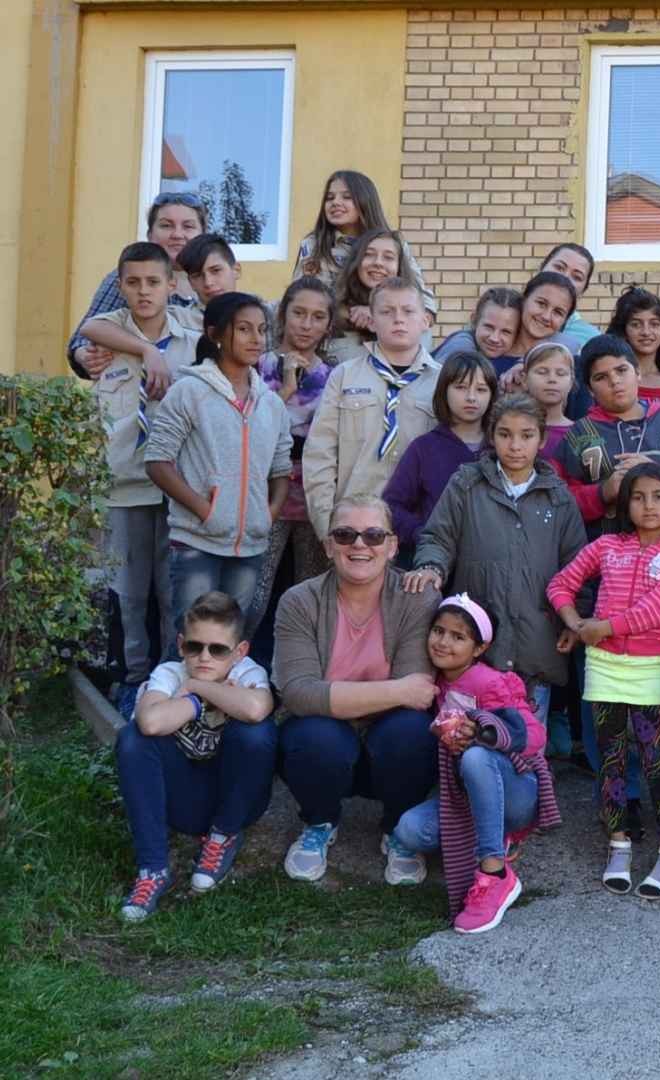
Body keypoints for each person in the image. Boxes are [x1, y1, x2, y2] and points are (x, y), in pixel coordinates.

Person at [273, 496, 443, 885]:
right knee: (312, 735)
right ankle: (319, 821)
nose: (360, 545)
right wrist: (397, 690)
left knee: (412, 732)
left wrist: (337, 694)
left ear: (393, 546)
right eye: (345, 534)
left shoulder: (417, 598)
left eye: (374, 535)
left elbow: (419, 693)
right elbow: (298, 693)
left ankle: (398, 828)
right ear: (328, 545)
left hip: (389, 744)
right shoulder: (299, 602)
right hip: (329, 743)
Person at [547, 463, 660, 898]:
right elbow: (560, 584)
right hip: (603, 668)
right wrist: (576, 624)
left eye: (658, 497)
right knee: (610, 762)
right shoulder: (607, 546)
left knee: (657, 763)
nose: (648, 506)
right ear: (624, 503)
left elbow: (658, 609)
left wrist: (601, 627)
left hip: (648, 669)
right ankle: (619, 845)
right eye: (638, 496)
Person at [406, 392, 588, 730]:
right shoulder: (467, 483)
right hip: (476, 649)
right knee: (466, 747)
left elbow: (578, 567)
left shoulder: (558, 497)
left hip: (537, 647)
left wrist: (572, 622)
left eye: (526, 435)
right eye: (505, 434)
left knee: (525, 750)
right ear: (492, 436)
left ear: (542, 439)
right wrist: (431, 566)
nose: (515, 446)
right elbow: (437, 538)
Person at [389, 595, 561, 934]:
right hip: (465, 795)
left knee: (476, 755)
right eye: (438, 631)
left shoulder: (490, 682)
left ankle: (494, 871)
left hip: (516, 791)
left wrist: (485, 730)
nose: (443, 642)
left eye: (458, 636)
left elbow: (534, 736)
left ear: (480, 648)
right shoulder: (434, 681)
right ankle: (490, 834)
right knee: (408, 829)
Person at [114, 591, 278, 921]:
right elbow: (150, 721)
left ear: (240, 651)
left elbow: (258, 707)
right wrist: (196, 703)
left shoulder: (248, 671)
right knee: (132, 739)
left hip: (236, 799)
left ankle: (223, 835)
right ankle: (153, 869)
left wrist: (199, 688)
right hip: (183, 798)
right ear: (180, 644)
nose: (204, 657)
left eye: (217, 649)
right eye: (194, 646)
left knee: (256, 733)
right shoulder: (170, 673)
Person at [86, 242, 200, 709]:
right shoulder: (105, 333)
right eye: (132, 282)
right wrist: (147, 352)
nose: (143, 291)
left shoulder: (193, 338)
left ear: (172, 285)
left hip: (176, 486)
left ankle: (172, 678)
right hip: (124, 485)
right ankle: (134, 680)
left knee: (172, 591)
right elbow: (88, 326)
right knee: (129, 593)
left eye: (153, 282)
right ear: (120, 285)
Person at [143, 292, 293, 630]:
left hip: (251, 547)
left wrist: (268, 513)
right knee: (188, 637)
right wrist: (203, 509)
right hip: (197, 540)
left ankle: (218, 688)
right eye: (243, 329)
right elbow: (157, 461)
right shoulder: (189, 391)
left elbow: (281, 470)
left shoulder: (271, 404)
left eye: (261, 329)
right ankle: (173, 686)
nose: (257, 339)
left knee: (233, 641)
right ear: (215, 334)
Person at [304, 279, 442, 540]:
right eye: (386, 312)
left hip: (418, 528)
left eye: (408, 311)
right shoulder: (344, 376)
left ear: (425, 320)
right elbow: (319, 455)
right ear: (371, 320)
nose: (398, 319)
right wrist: (327, 528)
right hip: (353, 528)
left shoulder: (444, 382)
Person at [558, 334, 660, 532]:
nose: (614, 381)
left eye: (622, 370)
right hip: (602, 553)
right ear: (589, 389)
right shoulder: (577, 435)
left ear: (638, 372)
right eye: (601, 377)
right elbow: (558, 500)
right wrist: (602, 493)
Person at [257, 276, 339, 592]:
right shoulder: (257, 366)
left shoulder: (335, 376)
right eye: (299, 313)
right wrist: (288, 384)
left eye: (318, 317)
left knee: (312, 588)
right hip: (266, 488)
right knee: (256, 590)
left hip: (313, 491)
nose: (306, 324)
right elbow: (252, 425)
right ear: (283, 315)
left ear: (329, 326)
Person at [68, 194, 204, 378]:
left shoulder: (212, 280)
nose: (177, 235)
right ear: (150, 234)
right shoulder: (127, 277)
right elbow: (83, 338)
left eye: (188, 226)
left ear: (203, 234)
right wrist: (86, 356)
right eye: (166, 225)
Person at [382, 353, 498, 551]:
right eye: (460, 387)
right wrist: (423, 533)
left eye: (481, 389)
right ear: (444, 391)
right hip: (436, 564)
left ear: (492, 395)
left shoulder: (502, 447)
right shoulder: (425, 448)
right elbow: (391, 507)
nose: (471, 397)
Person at [296, 170, 426, 295]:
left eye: (347, 197)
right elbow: (304, 296)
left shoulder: (394, 243)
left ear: (365, 201)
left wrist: (425, 313)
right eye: (329, 198)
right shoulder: (315, 244)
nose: (335, 202)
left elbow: (419, 291)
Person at [327, 230, 435, 362]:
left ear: (399, 266)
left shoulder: (417, 317)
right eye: (369, 254)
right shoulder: (332, 308)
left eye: (388, 257)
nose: (378, 263)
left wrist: (379, 314)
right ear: (357, 262)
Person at [609, 285, 660, 405]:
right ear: (623, 331)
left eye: (654, 324)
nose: (646, 332)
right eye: (636, 324)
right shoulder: (611, 379)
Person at [433, 288, 523, 376]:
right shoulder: (460, 345)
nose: (494, 338)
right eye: (489, 327)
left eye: (506, 332)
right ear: (474, 320)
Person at [538, 242, 599, 354]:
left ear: (583, 290)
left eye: (577, 277)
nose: (564, 278)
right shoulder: (508, 318)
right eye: (559, 267)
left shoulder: (592, 339)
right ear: (541, 268)